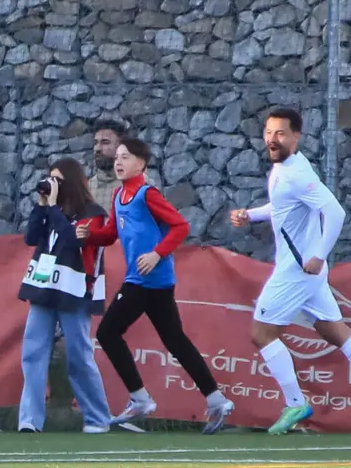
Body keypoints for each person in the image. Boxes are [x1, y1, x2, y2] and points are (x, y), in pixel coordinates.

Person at [230, 107, 351, 435]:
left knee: (261, 334)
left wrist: (320, 255)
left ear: (296, 136)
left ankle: (295, 403)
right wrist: (250, 215)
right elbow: (282, 206)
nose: (272, 139)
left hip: (297, 271)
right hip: (304, 272)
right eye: (268, 132)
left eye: (280, 133)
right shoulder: (286, 169)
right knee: (335, 332)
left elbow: (335, 212)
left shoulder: (296, 173)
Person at [78, 138, 235, 434]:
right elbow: (111, 234)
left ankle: (140, 398)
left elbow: (181, 226)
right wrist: (89, 236)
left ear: (141, 164)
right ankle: (216, 400)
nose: (119, 162)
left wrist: (156, 253)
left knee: (108, 332)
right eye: (117, 158)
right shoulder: (118, 195)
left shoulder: (146, 194)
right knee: (175, 340)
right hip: (150, 282)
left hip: (146, 280)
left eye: (125, 157)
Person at [17, 158, 112, 434]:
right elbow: (31, 238)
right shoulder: (52, 211)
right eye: (50, 179)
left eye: (58, 180)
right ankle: (30, 419)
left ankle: (97, 418)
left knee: (79, 355)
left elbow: (73, 240)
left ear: (71, 183)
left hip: (75, 290)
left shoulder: (93, 212)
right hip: (44, 287)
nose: (52, 184)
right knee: (33, 353)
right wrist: (42, 206)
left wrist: (55, 209)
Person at [88, 118, 127, 209]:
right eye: (95, 143)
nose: (97, 148)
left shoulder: (138, 183)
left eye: (105, 142)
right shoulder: (88, 187)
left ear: (120, 146)